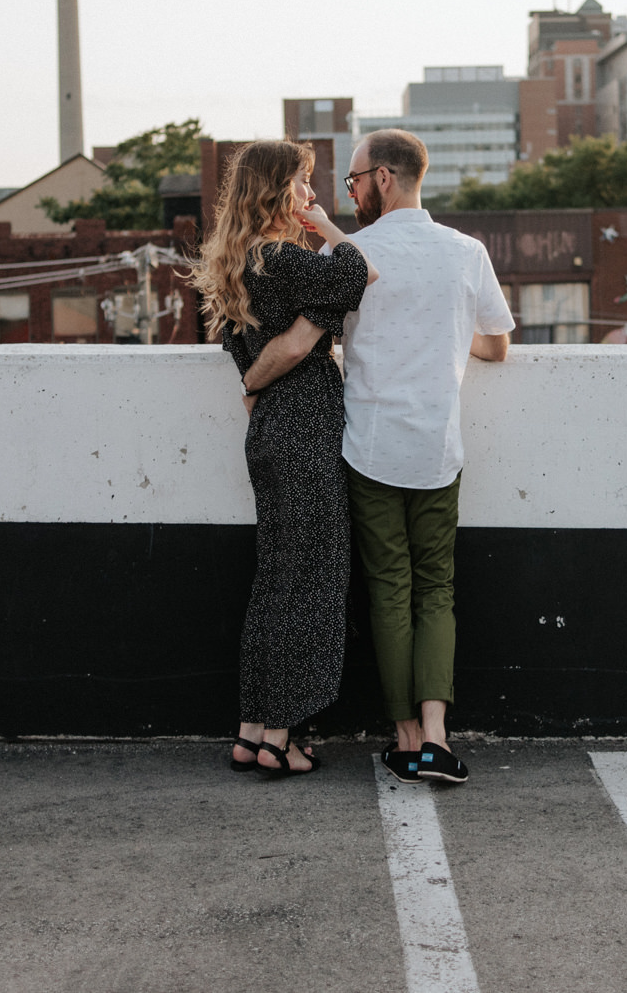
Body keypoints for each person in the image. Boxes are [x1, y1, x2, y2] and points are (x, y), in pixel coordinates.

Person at [238, 128, 512, 785]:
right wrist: (451, 339)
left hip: (367, 448)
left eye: (356, 179)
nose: (350, 190)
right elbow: (499, 345)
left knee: (389, 589)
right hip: (438, 447)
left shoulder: (353, 253)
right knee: (436, 591)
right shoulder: (467, 252)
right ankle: (438, 737)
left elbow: (319, 331)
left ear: (383, 179)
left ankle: (405, 736)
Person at [189, 140, 377, 777]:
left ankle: (251, 728)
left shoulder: (241, 262)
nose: (310, 195)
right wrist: (328, 228)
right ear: (275, 191)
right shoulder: (283, 259)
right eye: (301, 184)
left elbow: (253, 355)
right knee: (313, 584)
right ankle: (280, 737)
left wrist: (254, 385)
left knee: (276, 580)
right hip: (307, 429)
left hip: (269, 430)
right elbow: (360, 273)